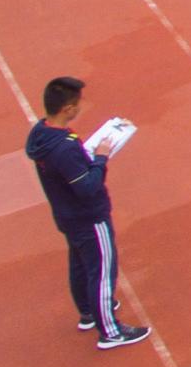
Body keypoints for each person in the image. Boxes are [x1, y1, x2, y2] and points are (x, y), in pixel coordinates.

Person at [23, 76, 151, 348]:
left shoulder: (41, 134)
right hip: (88, 217)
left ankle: (87, 311)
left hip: (67, 214)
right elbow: (88, 187)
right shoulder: (65, 149)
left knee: (80, 263)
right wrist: (101, 157)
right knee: (103, 270)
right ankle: (111, 330)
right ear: (67, 109)